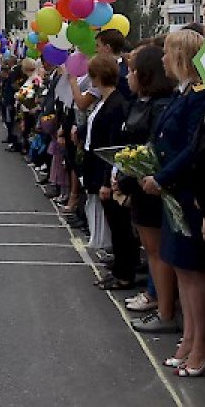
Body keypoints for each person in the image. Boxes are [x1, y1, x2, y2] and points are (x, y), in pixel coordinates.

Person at [139, 30, 205, 364]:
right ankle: (189, 340)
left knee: (191, 270)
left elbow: (193, 148)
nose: (163, 59)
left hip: (186, 192)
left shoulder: (200, 96)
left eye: (168, 53)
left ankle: (199, 345)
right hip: (174, 192)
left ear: (182, 55)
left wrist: (162, 177)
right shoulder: (184, 94)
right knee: (182, 269)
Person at [117, 45, 178, 326]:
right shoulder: (138, 103)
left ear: (144, 74)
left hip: (151, 186)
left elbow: (153, 147)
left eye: (131, 71)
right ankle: (157, 298)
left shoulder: (160, 105)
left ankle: (164, 309)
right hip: (137, 184)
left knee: (157, 251)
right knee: (152, 250)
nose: (128, 76)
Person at [81, 55, 130, 273]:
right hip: (96, 161)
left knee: (118, 222)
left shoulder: (116, 104)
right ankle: (119, 263)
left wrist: (106, 181)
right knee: (112, 218)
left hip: (105, 166)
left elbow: (112, 143)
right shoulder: (104, 101)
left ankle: (124, 269)